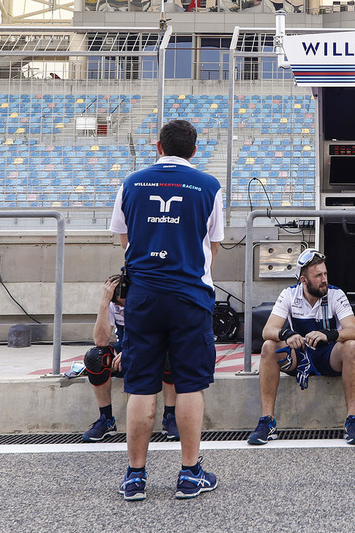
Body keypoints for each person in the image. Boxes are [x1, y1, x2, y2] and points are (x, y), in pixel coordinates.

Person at [109, 119, 224, 500]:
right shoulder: (209, 186)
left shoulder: (131, 183)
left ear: (158, 147)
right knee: (190, 384)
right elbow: (214, 246)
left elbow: (124, 240)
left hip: (143, 295)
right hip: (190, 295)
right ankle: (190, 474)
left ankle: (135, 477)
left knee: (141, 384)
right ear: (194, 150)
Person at [248, 248, 355, 446]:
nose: (324, 279)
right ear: (303, 280)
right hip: (300, 356)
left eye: (325, 274)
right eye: (318, 276)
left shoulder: (336, 294)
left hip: (329, 355)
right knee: (269, 347)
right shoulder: (289, 294)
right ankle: (267, 421)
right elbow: (267, 330)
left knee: (352, 346)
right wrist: (287, 334)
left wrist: (329, 334)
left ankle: (352, 420)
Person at [82, 275, 179, 443]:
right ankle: (106, 419)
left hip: (153, 348)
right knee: (96, 357)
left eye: (125, 302)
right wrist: (104, 303)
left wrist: (132, 350)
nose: (123, 307)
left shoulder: (150, 300)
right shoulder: (113, 304)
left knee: (171, 354)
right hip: (126, 349)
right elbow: (100, 341)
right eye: (119, 304)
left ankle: (170, 416)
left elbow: (164, 336)